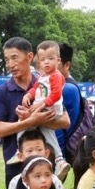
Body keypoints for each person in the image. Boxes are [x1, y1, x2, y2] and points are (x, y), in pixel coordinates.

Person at [0, 37, 70, 187]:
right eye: (7, 60)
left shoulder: (46, 83)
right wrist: (30, 121)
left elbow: (65, 121)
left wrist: (37, 119)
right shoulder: (2, 92)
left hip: (46, 168)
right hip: (16, 168)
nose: (10, 64)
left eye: (14, 58)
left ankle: (59, 160)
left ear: (30, 57)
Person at [19, 40, 72, 180]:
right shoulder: (43, 76)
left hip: (49, 108)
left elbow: (56, 94)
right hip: (44, 107)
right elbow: (35, 88)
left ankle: (19, 151)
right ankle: (59, 160)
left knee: (24, 121)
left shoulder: (56, 76)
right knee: (47, 132)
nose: (46, 62)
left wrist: (42, 104)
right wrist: (28, 95)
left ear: (58, 60)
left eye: (50, 58)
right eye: (42, 60)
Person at [56, 42, 84, 164]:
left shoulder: (66, 88)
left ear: (67, 65)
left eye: (54, 61)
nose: (47, 65)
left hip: (58, 153)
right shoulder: (69, 85)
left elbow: (57, 129)